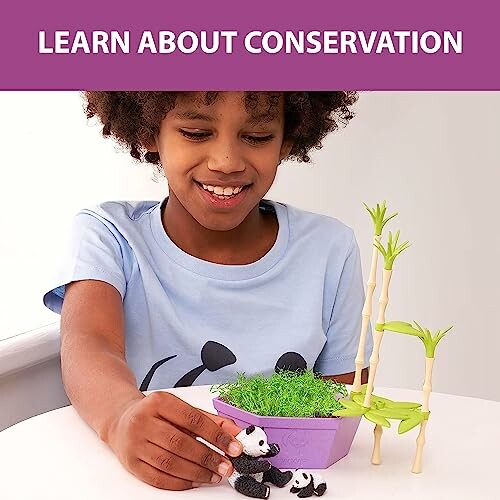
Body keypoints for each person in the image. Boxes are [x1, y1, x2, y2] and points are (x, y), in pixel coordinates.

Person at [43, 91, 372, 491]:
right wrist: (120, 417)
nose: (226, 162)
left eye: (257, 136)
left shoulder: (329, 248)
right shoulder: (110, 235)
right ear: (150, 132)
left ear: (287, 140)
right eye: (196, 132)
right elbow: (88, 343)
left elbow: (344, 409)